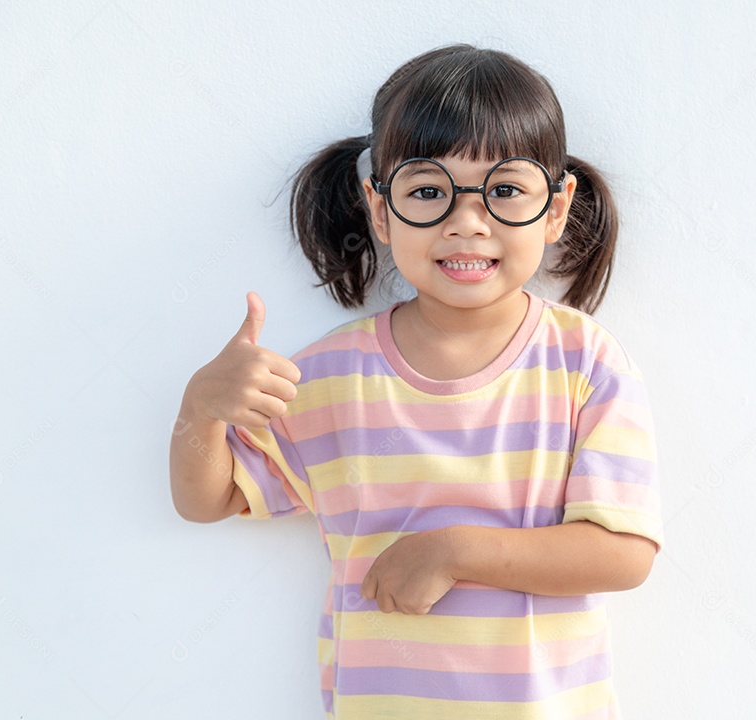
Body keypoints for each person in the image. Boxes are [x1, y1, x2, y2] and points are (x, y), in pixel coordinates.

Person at [169, 43, 665, 720]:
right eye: (429, 191)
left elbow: (622, 555)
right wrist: (202, 410)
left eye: (506, 190)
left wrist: (454, 551)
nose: (467, 221)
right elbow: (212, 497)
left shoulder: (584, 362)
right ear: (380, 209)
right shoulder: (330, 375)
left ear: (555, 208)